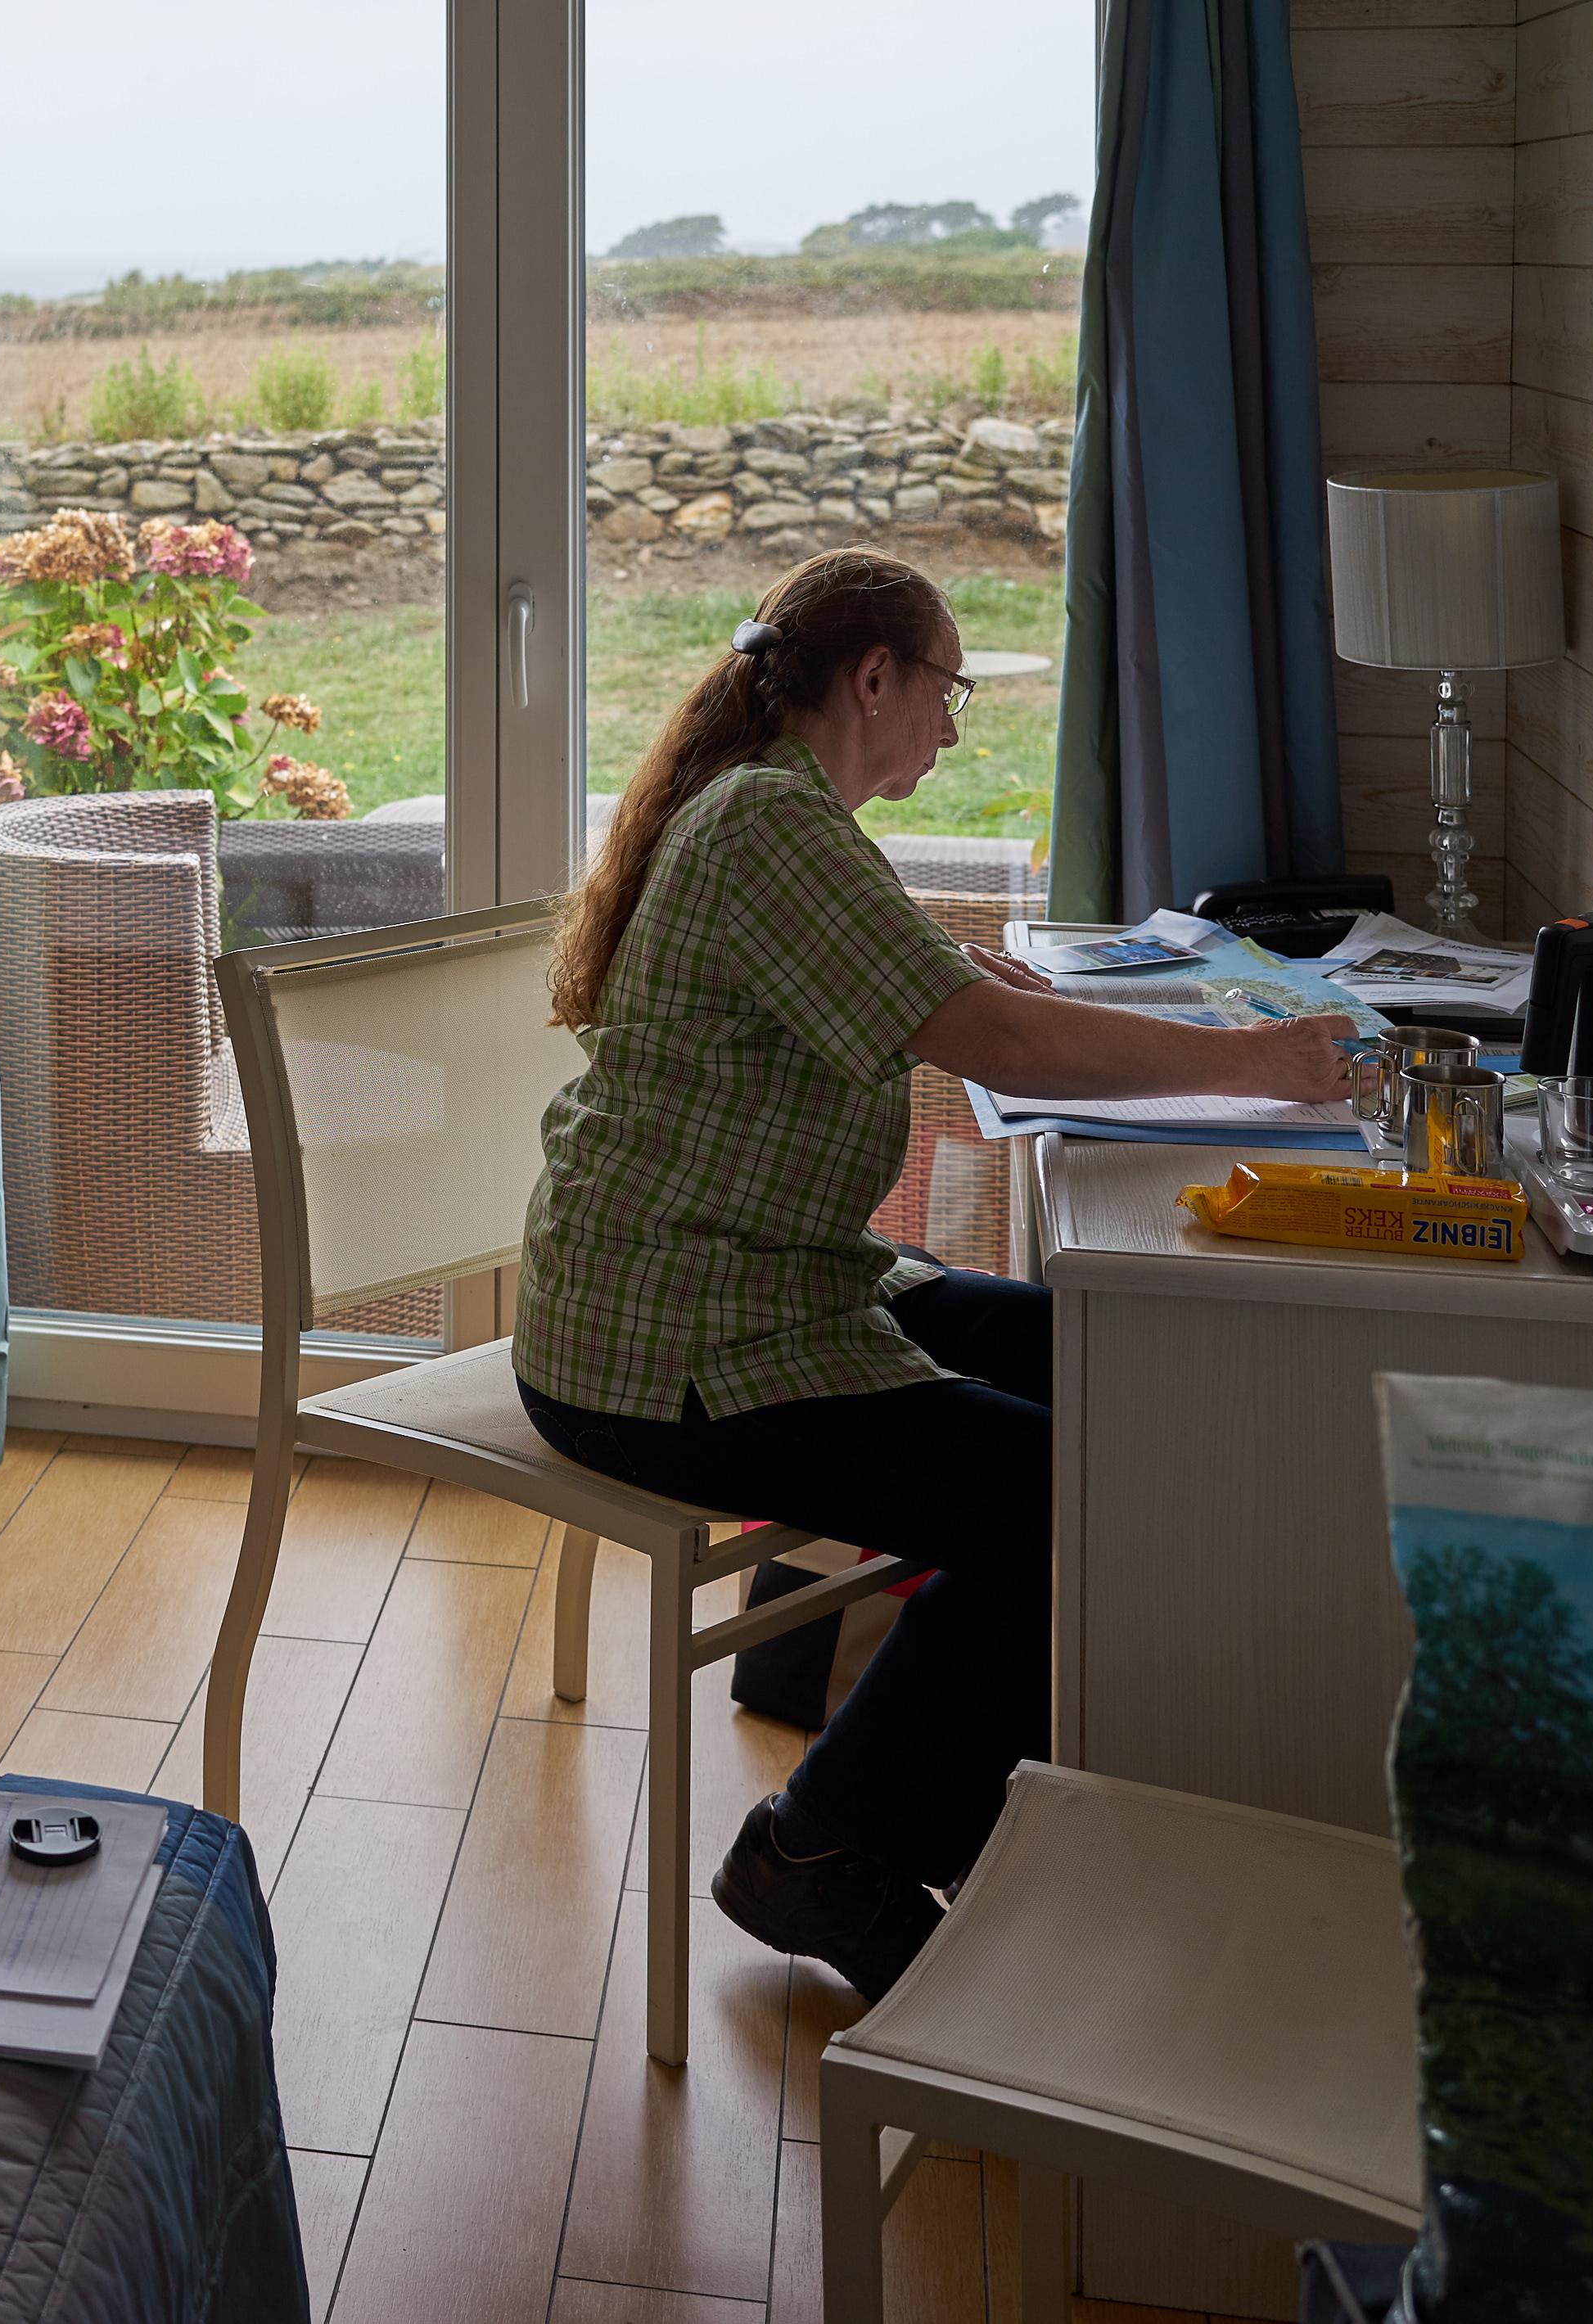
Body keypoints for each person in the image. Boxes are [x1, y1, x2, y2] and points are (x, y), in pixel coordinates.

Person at [513, 548, 1352, 2001]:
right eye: (948, 694)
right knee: (1068, 1499)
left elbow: (916, 990)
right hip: (672, 1345)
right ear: (875, 678)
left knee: (1118, 1362)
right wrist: (1259, 1063)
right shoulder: (770, 823)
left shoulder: (779, 810)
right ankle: (822, 1847)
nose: (952, 733)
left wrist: (967, 976)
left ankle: (995, 1807)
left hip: (764, 1284)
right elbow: (997, 1048)